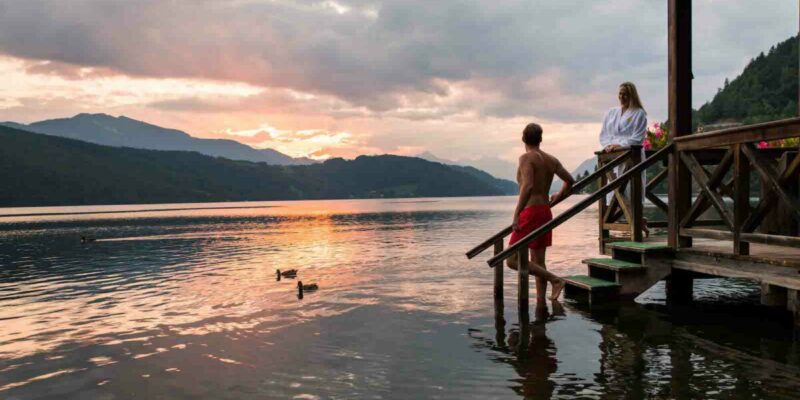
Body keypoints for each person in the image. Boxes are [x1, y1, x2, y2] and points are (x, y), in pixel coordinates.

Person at [506, 123, 573, 302]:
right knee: (538, 262)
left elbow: (527, 187)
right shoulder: (551, 160)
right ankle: (541, 303)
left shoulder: (526, 158)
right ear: (540, 139)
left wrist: (516, 215)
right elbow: (570, 181)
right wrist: (557, 196)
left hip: (531, 212)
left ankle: (555, 280)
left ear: (523, 139)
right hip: (544, 212)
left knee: (511, 260)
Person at [599, 82, 650, 237]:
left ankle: (638, 223)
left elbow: (637, 138)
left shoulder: (639, 113)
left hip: (631, 157)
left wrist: (619, 145)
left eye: (625, 94)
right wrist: (609, 145)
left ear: (632, 95)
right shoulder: (611, 113)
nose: (622, 97)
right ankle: (639, 221)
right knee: (616, 195)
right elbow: (604, 135)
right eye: (620, 94)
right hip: (613, 159)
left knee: (631, 191)